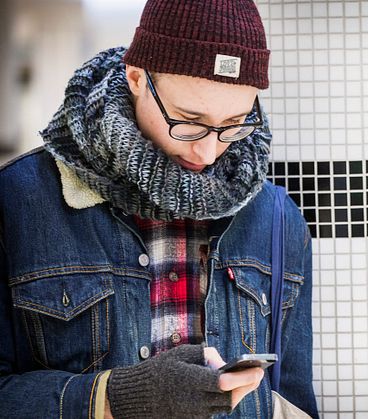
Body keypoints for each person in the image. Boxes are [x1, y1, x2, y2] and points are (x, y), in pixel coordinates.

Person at [0, 1, 318, 418]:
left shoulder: (277, 218)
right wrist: (114, 398)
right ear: (137, 77)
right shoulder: (19, 200)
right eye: (189, 119)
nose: (208, 151)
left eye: (235, 122)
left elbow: (293, 402)